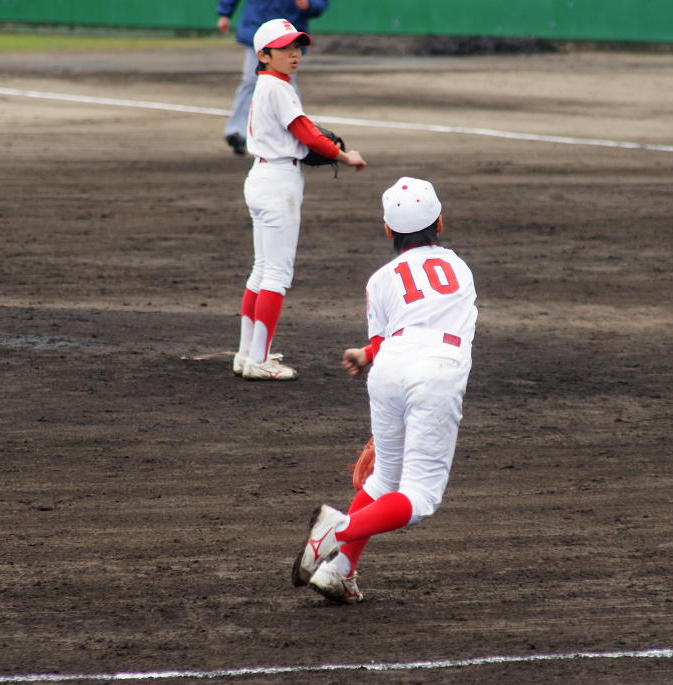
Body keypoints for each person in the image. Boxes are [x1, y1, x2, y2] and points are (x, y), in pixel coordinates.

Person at [291, 177, 478, 602]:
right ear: (440, 223)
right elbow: (432, 321)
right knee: (420, 496)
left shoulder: (380, 279)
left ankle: (339, 572)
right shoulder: (459, 268)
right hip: (436, 370)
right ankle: (337, 531)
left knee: (382, 481)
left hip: (390, 367)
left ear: (387, 229)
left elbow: (391, 335)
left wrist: (365, 353)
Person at [234, 18, 366, 381]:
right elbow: (305, 132)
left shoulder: (267, 84)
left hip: (261, 177)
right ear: (263, 55)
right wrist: (344, 156)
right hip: (278, 183)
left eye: (297, 47)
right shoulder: (278, 87)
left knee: (262, 270)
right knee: (276, 274)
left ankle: (247, 354)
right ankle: (259, 360)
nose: (294, 54)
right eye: (285, 48)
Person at [216, 0, 329, 156]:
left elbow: (320, 3)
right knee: (251, 81)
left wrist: (310, 5)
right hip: (257, 24)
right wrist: (225, 13)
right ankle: (238, 132)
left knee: (286, 85)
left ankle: (296, 134)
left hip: (289, 32)